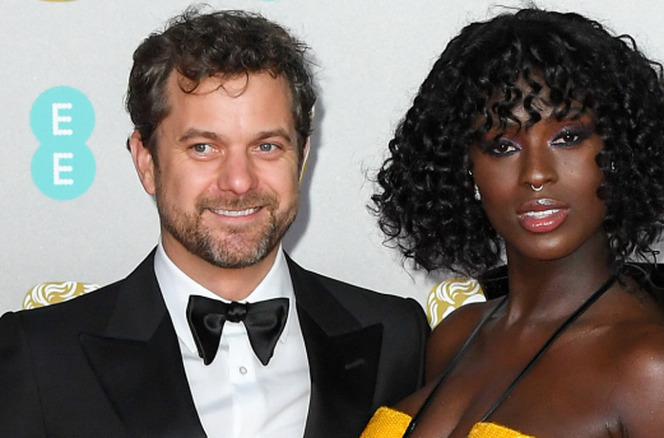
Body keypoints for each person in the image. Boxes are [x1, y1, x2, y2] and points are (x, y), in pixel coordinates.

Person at [0, 7, 428, 438]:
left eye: (267, 147)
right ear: (145, 161)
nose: (239, 182)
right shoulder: (41, 355)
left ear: (301, 159)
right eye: (204, 147)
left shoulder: (396, 337)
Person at [362, 7, 664, 438]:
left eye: (567, 137)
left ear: (621, 153)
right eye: (502, 145)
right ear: (464, 169)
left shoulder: (651, 369)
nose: (535, 172)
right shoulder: (454, 336)